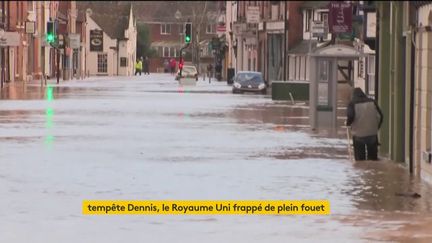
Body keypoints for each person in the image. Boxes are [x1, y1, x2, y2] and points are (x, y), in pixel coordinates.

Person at [346, 88, 383, 161]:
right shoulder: (372, 102)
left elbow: (350, 116)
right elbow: (380, 116)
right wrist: (376, 128)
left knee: (360, 161)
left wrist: (348, 123)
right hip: (372, 133)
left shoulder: (352, 103)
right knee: (373, 160)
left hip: (358, 134)